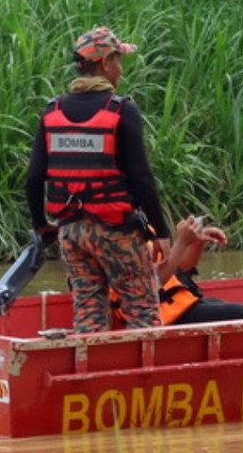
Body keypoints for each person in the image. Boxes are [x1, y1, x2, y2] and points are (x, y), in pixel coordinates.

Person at [26, 26, 173, 334]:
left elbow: (34, 177)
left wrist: (42, 225)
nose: (121, 68)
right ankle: (144, 379)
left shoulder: (52, 111)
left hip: (72, 235)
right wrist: (161, 231)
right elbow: (142, 178)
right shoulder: (121, 110)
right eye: (119, 60)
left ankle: (88, 376)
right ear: (105, 63)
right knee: (143, 315)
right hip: (116, 232)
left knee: (89, 315)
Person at [117, 215, 243, 326]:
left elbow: (179, 269)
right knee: (241, 313)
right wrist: (182, 242)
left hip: (178, 307)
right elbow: (147, 286)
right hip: (154, 319)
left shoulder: (139, 224)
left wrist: (196, 243)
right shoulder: (114, 238)